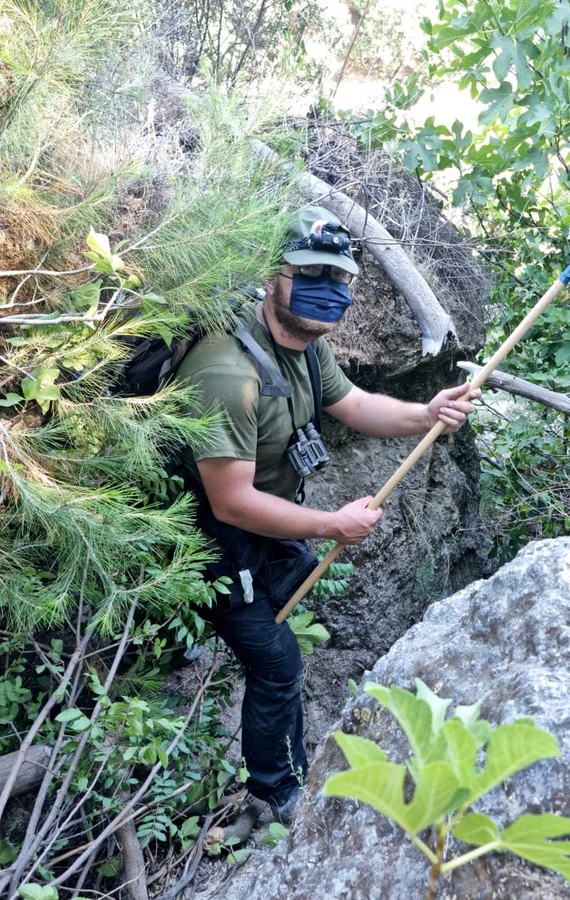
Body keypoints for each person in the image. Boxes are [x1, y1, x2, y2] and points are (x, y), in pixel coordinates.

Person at [174, 205, 479, 825]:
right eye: (310, 272)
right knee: (278, 664)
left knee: (296, 582)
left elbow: (358, 405)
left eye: (340, 278)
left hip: (267, 525)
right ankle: (276, 792)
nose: (328, 290)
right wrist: (333, 523)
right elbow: (229, 500)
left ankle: (221, 648)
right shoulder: (226, 370)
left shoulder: (309, 347)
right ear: (273, 274)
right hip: (208, 541)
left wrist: (427, 414)